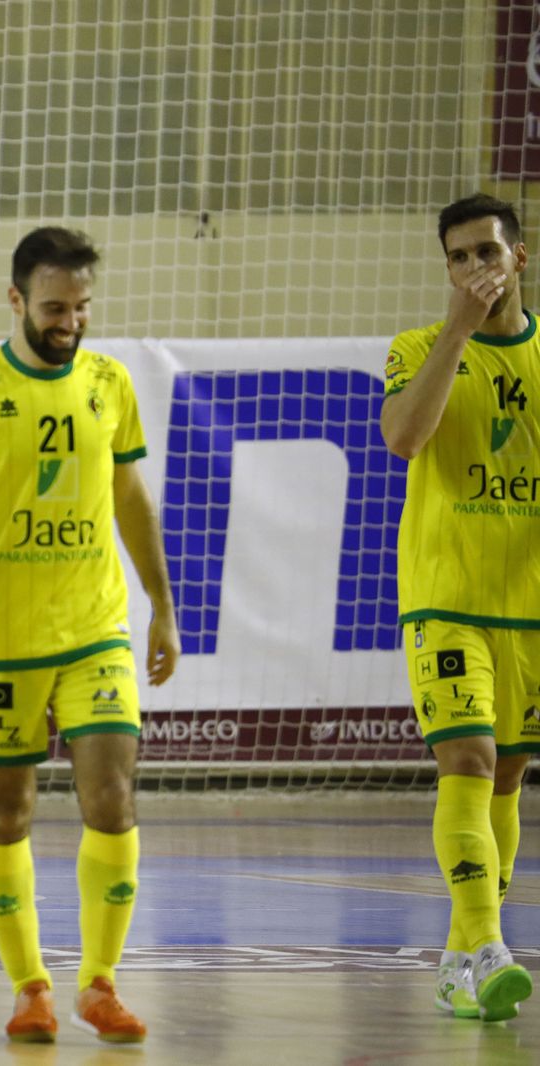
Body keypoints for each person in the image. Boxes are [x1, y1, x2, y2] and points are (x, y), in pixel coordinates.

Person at [0, 227, 178, 1044]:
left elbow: (131, 500)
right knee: (5, 812)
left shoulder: (110, 381)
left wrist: (161, 604)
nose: (71, 322)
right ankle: (31, 987)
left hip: (94, 629)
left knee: (112, 796)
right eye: (56, 307)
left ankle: (100, 983)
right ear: (18, 300)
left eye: (83, 307)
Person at [380, 193, 536, 1022]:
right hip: (446, 598)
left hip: (531, 608)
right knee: (469, 760)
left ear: (522, 256)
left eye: (488, 253)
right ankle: (488, 946)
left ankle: (455, 962)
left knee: (507, 773)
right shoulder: (419, 348)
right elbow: (405, 438)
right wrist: (458, 331)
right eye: (460, 258)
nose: (476, 269)